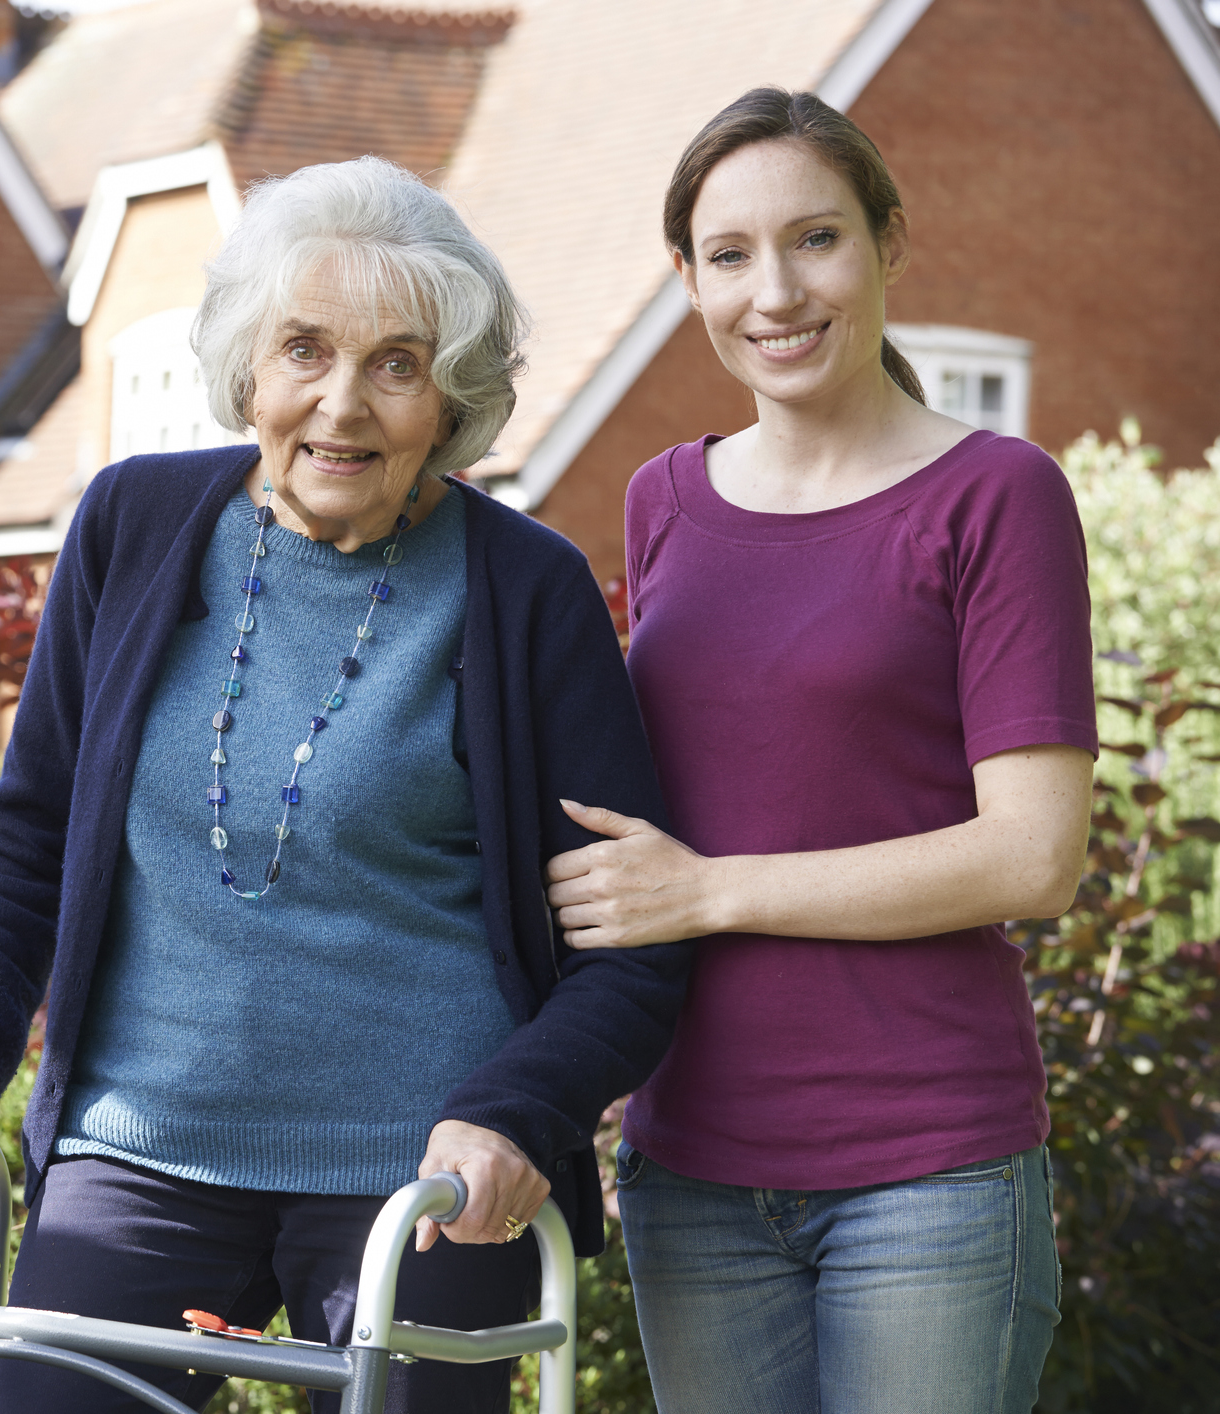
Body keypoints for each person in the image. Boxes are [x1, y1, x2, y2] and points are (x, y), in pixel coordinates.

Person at [0, 155, 691, 1414]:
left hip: (426, 1179)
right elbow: (26, 839)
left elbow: (636, 948)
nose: (341, 404)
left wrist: (519, 1114)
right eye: (305, 349)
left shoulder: (527, 590)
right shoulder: (131, 524)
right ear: (249, 363)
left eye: (396, 363)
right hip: (137, 1152)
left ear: (449, 396)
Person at [543, 89, 1094, 1414]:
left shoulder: (993, 495)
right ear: (684, 278)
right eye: (727, 255)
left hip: (927, 1167)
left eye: (814, 240)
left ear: (886, 243)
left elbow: (1033, 855)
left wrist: (711, 890)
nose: (772, 291)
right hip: (691, 1167)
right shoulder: (659, 498)